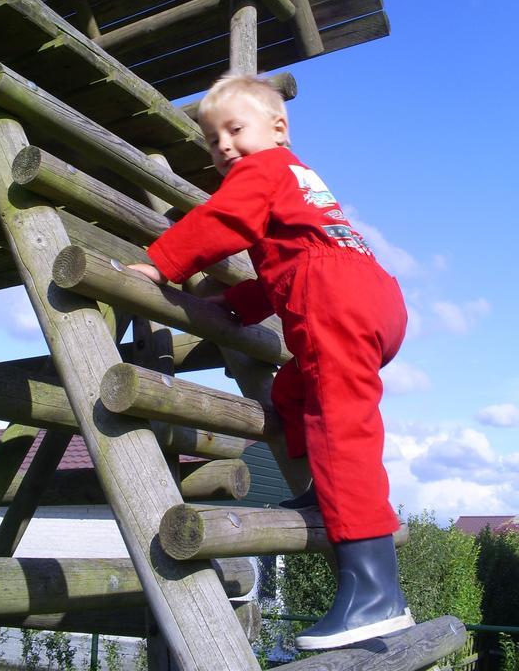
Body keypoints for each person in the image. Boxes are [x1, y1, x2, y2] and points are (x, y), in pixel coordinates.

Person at [128, 74, 414, 650]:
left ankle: (376, 592)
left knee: (340, 425)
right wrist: (234, 302)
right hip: (372, 296)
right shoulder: (302, 186)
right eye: (212, 140)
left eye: (235, 129)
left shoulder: (264, 171)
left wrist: (161, 264)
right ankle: (320, 492)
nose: (224, 146)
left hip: (335, 299)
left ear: (278, 129)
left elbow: (221, 222)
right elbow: (287, 264)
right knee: (292, 393)